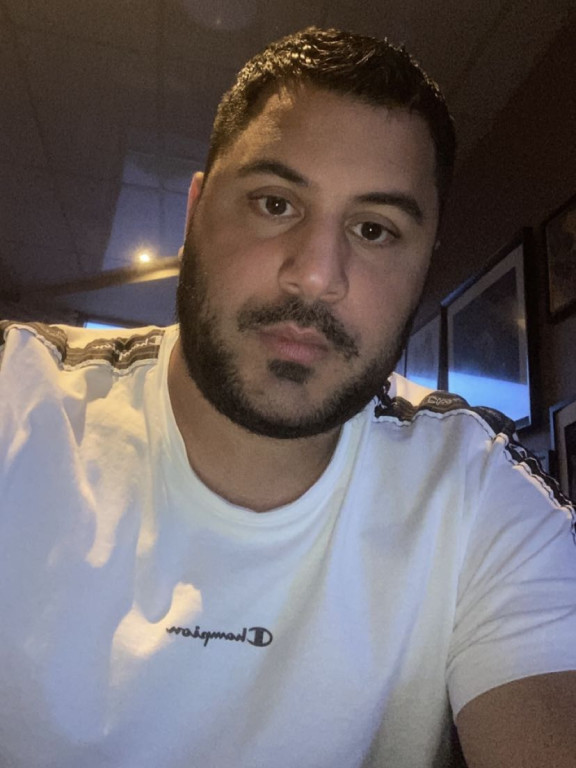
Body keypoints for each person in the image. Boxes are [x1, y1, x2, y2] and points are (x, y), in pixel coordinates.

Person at [0, 26, 575, 768]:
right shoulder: (19, 396)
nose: (316, 275)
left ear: (423, 266)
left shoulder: (477, 488)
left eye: (374, 229)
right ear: (195, 214)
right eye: (275, 203)